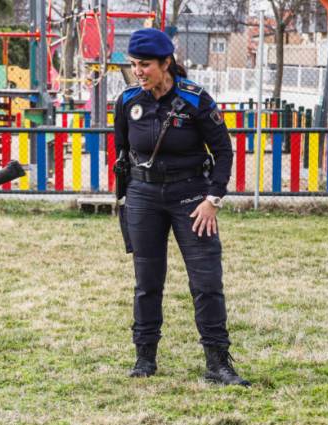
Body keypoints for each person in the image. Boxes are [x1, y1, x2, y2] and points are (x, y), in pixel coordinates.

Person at [113, 28, 249, 386]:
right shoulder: (127, 100)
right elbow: (122, 151)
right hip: (144, 197)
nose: (138, 71)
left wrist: (212, 199)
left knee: (206, 282)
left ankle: (218, 363)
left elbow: (223, 152)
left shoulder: (195, 99)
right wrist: (127, 196)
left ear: (166, 63)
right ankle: (144, 358)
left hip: (192, 197)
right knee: (147, 282)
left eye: (145, 65)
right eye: (133, 64)